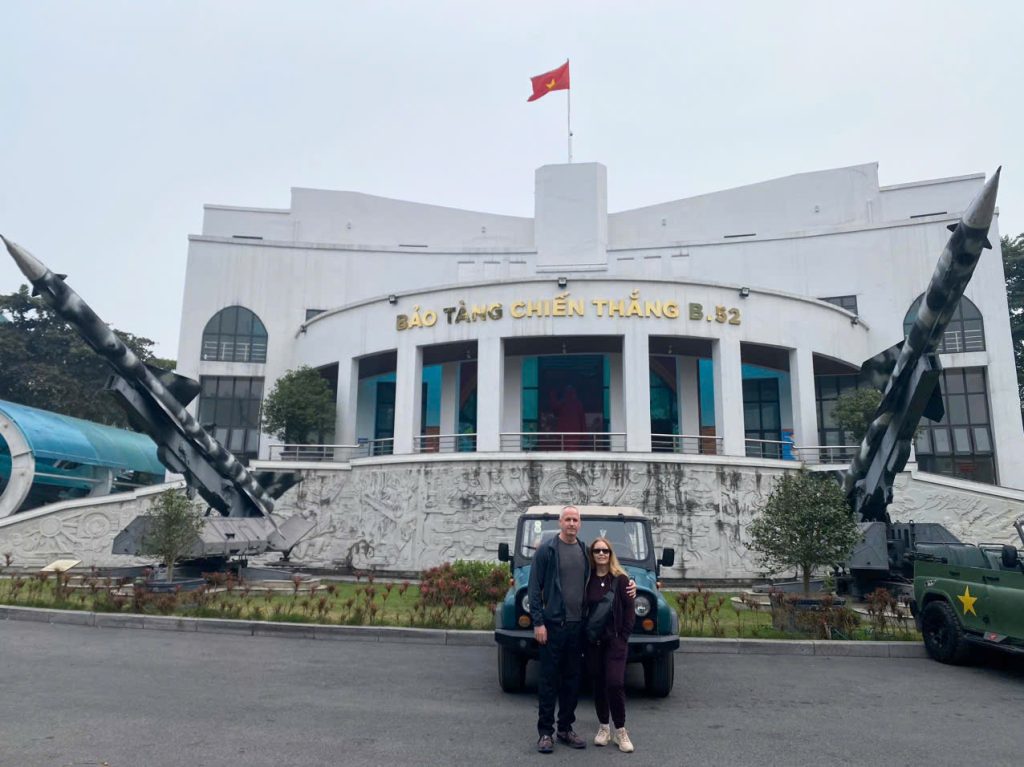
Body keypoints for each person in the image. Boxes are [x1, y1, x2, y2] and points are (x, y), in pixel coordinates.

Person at [528, 505, 589, 752]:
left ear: (580, 524)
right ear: (560, 522)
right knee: (548, 681)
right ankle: (545, 733)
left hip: (578, 628)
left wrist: (630, 584)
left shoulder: (585, 551)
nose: (571, 523)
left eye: (575, 520)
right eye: (567, 519)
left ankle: (565, 728)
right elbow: (534, 588)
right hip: (553, 627)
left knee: (572, 681)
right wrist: (538, 622)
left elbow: (607, 573)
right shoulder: (547, 551)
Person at [584, 537, 636, 753]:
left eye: (605, 550)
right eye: (597, 551)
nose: (601, 554)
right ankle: (604, 727)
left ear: (610, 553)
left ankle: (621, 730)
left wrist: (623, 636)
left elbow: (630, 609)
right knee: (598, 683)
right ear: (592, 555)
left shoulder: (622, 580)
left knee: (614, 683)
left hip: (615, 641)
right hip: (594, 642)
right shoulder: (586, 580)